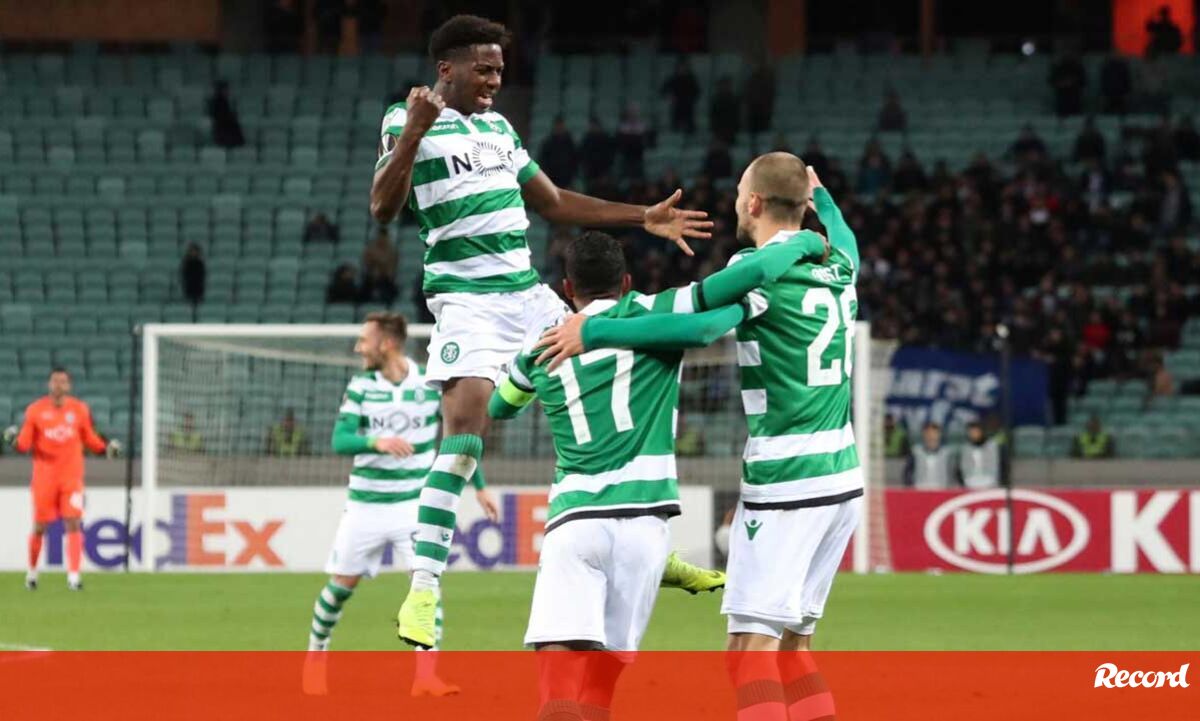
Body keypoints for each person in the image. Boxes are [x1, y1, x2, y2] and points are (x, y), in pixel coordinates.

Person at [368, 14, 712, 649]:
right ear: (446, 69)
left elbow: (551, 202)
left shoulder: (499, 130)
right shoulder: (405, 118)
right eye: (484, 69)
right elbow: (383, 206)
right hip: (468, 304)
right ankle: (423, 588)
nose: (495, 80)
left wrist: (643, 216)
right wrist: (414, 131)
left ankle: (644, 543)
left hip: (528, 296)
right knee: (465, 436)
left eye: (500, 70)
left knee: (622, 370)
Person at [540, 157, 862, 721]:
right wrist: (824, 206)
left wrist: (597, 330)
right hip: (843, 479)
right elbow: (847, 238)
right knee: (793, 649)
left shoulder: (758, 270)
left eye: (740, 192)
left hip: (788, 481)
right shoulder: (840, 266)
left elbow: (704, 325)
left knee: (748, 656)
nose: (736, 201)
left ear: (754, 202)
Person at [493, 227, 826, 721]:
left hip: (575, 522)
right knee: (600, 690)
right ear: (627, 282)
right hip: (645, 531)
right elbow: (717, 304)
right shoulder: (659, 315)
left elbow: (499, 408)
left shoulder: (544, 344)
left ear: (567, 288)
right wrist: (755, 298)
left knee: (559, 690)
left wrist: (525, 378)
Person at [303, 312, 491, 697]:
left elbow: (458, 437)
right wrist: (377, 442)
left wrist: (480, 486)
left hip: (413, 505)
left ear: (387, 343)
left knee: (426, 584)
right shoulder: (361, 387)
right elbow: (339, 440)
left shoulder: (428, 383)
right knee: (341, 586)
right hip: (366, 505)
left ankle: (426, 676)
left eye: (364, 340)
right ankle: (315, 656)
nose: (359, 347)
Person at [3, 368, 122, 591]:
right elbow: (25, 443)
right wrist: (14, 441)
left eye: (63, 381)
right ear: (49, 384)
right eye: (55, 381)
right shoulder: (35, 410)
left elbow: (89, 437)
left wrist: (106, 448)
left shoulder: (79, 409)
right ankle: (32, 572)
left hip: (71, 477)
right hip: (44, 477)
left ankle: (74, 576)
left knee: (73, 522)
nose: (58, 385)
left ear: (69, 386)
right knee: (40, 527)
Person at [904, 422, 958, 488]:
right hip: (920, 491)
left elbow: (953, 476)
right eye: (928, 434)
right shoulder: (915, 452)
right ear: (923, 435)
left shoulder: (947, 454)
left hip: (942, 490)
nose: (931, 437)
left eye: (934, 433)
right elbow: (908, 474)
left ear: (939, 435)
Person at [662, 56, 700, 134]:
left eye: (684, 67)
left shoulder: (691, 79)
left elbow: (697, 91)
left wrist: (691, 99)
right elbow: (663, 90)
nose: (682, 69)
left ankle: (689, 131)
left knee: (690, 125)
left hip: (688, 104)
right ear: (677, 68)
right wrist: (669, 96)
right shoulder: (673, 78)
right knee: (675, 125)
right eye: (681, 67)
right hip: (677, 104)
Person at [539, 116, 579, 188]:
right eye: (558, 125)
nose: (559, 127)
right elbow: (543, 159)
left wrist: (572, 175)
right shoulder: (548, 142)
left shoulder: (569, 143)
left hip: (566, 177)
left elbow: (574, 159)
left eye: (561, 125)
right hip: (552, 177)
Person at [361, 227, 399, 304]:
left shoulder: (392, 251)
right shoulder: (370, 249)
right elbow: (367, 263)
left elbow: (391, 269)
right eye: (380, 236)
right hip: (371, 280)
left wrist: (379, 262)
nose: (381, 239)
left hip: (386, 280)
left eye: (383, 237)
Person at [959, 421, 1001, 489]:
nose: (974, 434)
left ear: (981, 432)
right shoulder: (965, 448)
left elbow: (997, 465)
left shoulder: (992, 446)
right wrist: (966, 481)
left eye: (976, 431)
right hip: (970, 483)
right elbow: (963, 467)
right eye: (971, 432)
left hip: (990, 482)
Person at [207, 80, 245, 149]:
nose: (228, 92)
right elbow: (217, 115)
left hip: (225, 125)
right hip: (221, 127)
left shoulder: (224, 101)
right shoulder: (216, 101)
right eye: (225, 90)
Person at [709, 75, 741, 145]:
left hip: (730, 128)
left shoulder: (734, 99)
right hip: (719, 129)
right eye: (723, 85)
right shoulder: (716, 100)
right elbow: (713, 115)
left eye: (726, 85)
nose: (725, 87)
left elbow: (736, 115)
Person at [180, 243, 206, 313]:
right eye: (192, 251)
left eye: (195, 251)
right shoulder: (186, 263)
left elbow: (202, 275)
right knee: (188, 305)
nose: (193, 253)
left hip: (198, 287)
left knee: (198, 305)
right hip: (189, 287)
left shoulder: (200, 263)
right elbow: (184, 275)